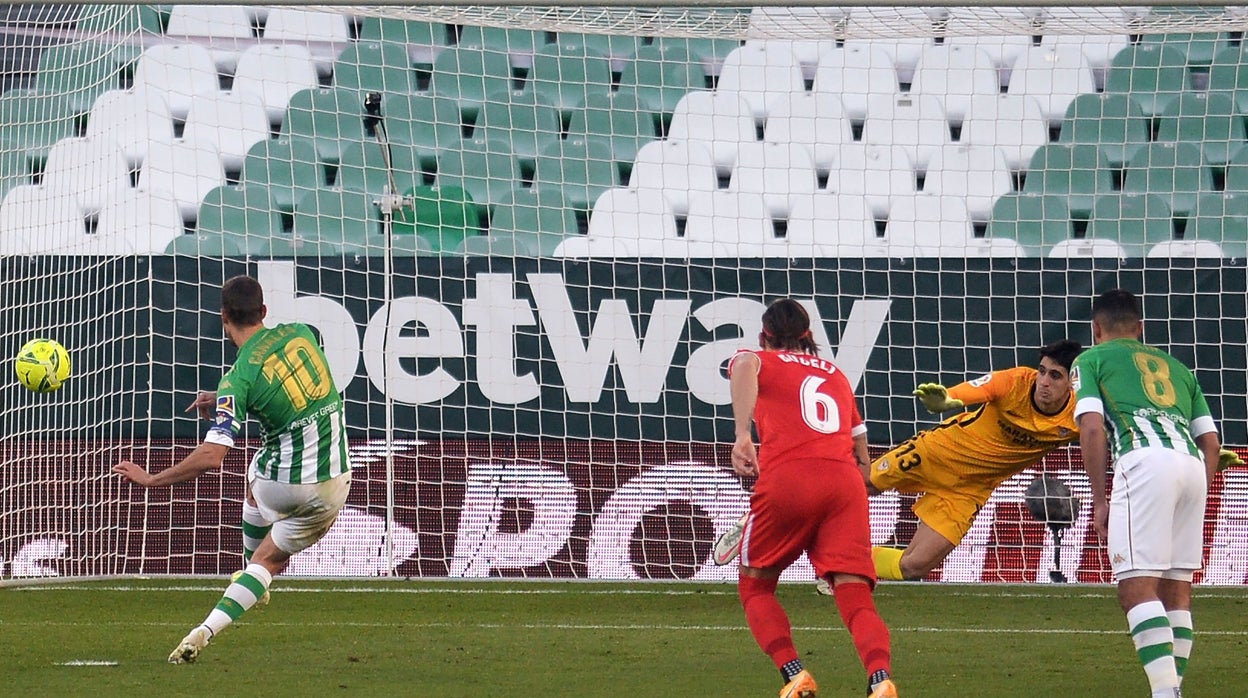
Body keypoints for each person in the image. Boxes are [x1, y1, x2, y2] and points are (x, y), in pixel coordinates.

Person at [113, 275, 352, 664]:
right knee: (271, 559)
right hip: (338, 479)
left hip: (285, 483)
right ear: (264, 312)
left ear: (223, 317)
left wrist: (152, 478)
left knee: (257, 476)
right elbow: (284, 382)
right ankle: (232, 601)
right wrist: (226, 400)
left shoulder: (237, 379)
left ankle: (233, 594)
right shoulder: (302, 333)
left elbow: (211, 458)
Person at [718, 339, 1086, 587]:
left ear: (1071, 381)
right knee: (855, 484)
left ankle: (840, 568)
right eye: (1042, 370)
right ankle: (756, 516)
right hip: (934, 453)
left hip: (969, 490)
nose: (1043, 381)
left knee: (914, 567)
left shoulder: (1078, 418)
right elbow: (969, 393)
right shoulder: (1015, 382)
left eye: (1054, 375)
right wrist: (946, 400)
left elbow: (1105, 434)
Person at [1073, 289, 1238, 698]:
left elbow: (1092, 428)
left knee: (1135, 588)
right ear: (1140, 328)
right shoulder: (1179, 368)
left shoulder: (1089, 360)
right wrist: (1199, 484)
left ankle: (1166, 693)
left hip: (1144, 463)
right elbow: (1212, 442)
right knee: (1176, 589)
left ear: (1096, 328)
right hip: (1192, 466)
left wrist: (1098, 499)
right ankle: (1172, 688)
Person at [728, 298, 897, 698]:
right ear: (808, 336)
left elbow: (745, 366)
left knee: (756, 588)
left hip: (790, 476)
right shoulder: (836, 374)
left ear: (763, 336)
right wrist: (854, 488)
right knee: (854, 592)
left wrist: (742, 434)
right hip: (844, 484)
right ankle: (880, 678)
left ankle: (794, 673)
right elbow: (861, 451)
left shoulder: (756, 357)